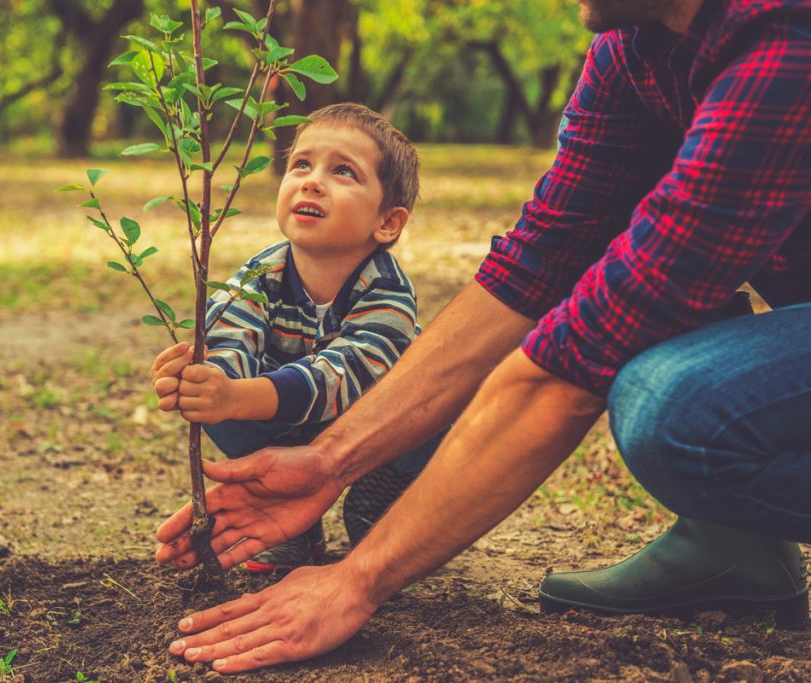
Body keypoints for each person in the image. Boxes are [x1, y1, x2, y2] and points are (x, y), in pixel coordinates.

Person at [153, 0, 811, 673]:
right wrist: (327, 461)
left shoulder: (786, 44)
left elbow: (576, 362)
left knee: (671, 407)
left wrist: (358, 578)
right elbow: (538, 264)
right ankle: (737, 543)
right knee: (646, 281)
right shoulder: (633, 49)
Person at [150, 103, 442, 573]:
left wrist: (243, 394)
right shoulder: (262, 273)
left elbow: (345, 377)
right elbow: (230, 336)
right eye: (301, 165)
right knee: (224, 409)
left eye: (343, 171)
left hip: (376, 429)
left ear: (387, 222)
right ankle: (295, 523)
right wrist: (205, 381)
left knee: (437, 415)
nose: (311, 180)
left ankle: (388, 493)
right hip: (292, 421)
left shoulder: (387, 290)